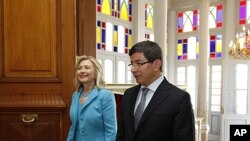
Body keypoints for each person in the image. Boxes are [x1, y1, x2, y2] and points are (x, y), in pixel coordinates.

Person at [116, 41, 195, 141]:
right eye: (132, 64)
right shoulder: (128, 95)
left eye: (139, 63)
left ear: (156, 65)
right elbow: (121, 135)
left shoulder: (179, 99)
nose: (133, 69)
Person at [67, 55, 117, 141]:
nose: (82, 71)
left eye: (87, 68)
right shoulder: (75, 95)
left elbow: (111, 131)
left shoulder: (106, 96)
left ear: (96, 72)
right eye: (79, 68)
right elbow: (73, 127)